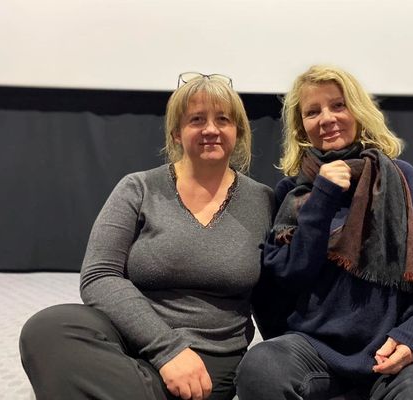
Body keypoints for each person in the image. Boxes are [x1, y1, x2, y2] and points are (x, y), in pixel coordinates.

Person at [19, 72, 273, 400]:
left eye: (222, 119)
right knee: (48, 329)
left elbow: (277, 292)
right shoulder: (137, 188)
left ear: (238, 131)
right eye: (197, 119)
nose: (210, 129)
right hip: (131, 339)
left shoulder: (263, 201)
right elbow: (99, 275)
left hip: (207, 361)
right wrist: (166, 349)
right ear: (177, 133)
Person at [236, 65, 413, 400]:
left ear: (358, 110)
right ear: (302, 127)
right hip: (313, 351)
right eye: (313, 112)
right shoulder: (291, 193)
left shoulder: (400, 178)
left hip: (389, 350)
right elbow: (285, 277)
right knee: (260, 368)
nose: (327, 118)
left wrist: (411, 337)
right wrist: (322, 198)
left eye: (338, 105)